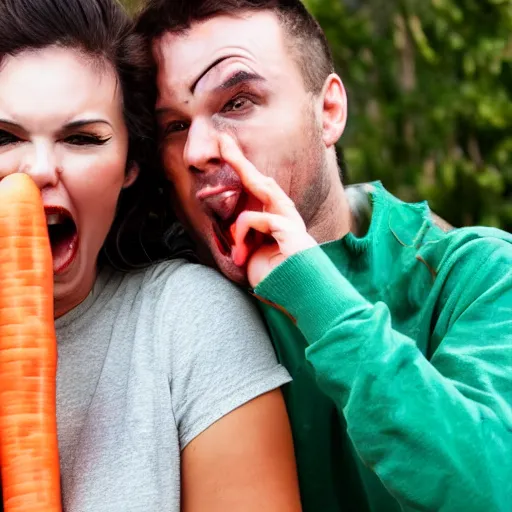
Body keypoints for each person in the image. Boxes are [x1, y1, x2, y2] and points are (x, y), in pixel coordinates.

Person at [135, 1, 512, 511]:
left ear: (328, 110)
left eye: (238, 102)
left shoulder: (480, 274)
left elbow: (490, 490)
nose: (198, 150)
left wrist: (313, 292)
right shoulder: (162, 307)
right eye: (173, 127)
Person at [0, 0, 303, 511]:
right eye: (4, 138)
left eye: (82, 138)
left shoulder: (186, 323)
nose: (38, 170)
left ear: (130, 167)